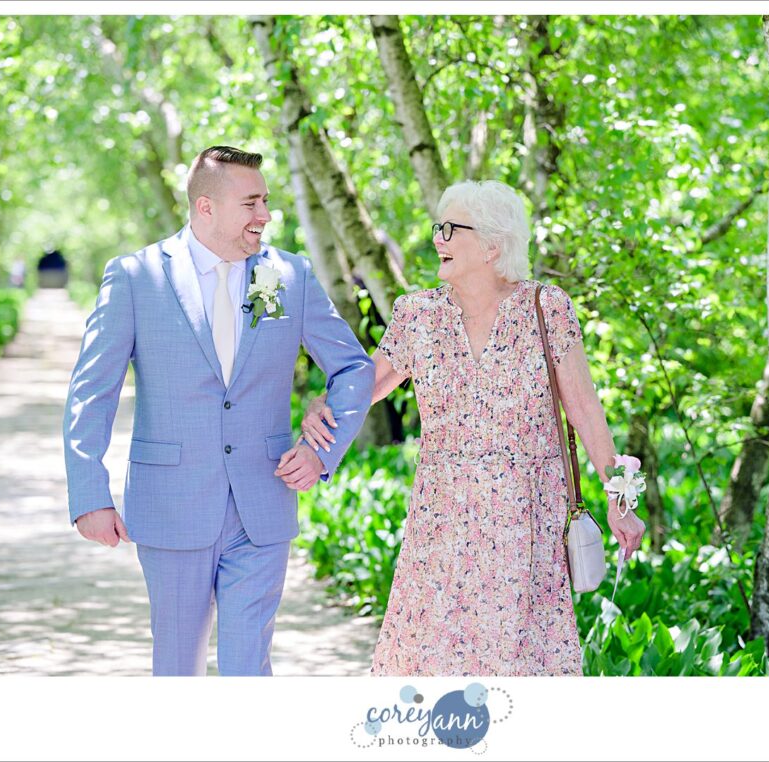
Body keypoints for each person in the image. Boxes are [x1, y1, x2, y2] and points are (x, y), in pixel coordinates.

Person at [301, 180, 646, 676]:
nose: (437, 238)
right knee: (434, 663)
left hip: (526, 525)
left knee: (518, 667)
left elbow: (587, 413)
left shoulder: (546, 308)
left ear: (491, 244)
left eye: (449, 229)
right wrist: (322, 403)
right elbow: (365, 386)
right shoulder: (417, 315)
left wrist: (622, 501)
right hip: (442, 525)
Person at [62, 146, 374, 676]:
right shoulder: (136, 277)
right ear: (205, 207)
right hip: (170, 505)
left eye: (267, 201)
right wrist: (89, 493)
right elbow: (92, 391)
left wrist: (322, 452)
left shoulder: (286, 276)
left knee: (247, 669)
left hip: (263, 503)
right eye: (251, 202)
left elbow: (354, 368)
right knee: (178, 667)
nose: (265, 216)